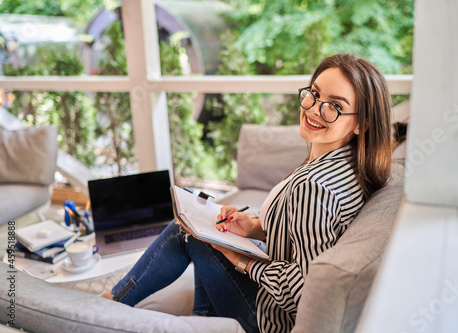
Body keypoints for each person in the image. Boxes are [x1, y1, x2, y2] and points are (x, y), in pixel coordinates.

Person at [102, 53, 392, 333]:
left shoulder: (314, 186)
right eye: (314, 94)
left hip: (271, 320)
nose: (314, 109)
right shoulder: (347, 164)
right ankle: (200, 319)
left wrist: (243, 261)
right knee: (205, 227)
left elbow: (305, 290)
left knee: (187, 231)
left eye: (334, 106)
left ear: (362, 123)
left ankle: (105, 310)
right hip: (272, 303)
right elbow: (307, 235)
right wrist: (252, 227)